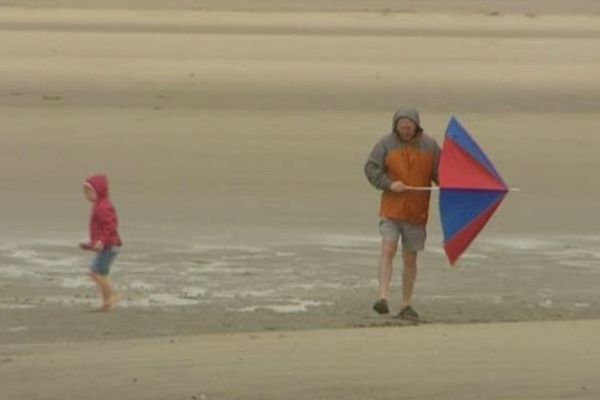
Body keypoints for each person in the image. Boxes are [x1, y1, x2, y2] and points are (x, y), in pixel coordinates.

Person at [364, 107, 440, 321]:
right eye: (401, 127)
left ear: (416, 125)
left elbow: (440, 173)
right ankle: (383, 297)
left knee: (410, 257)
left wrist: (452, 186)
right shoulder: (385, 143)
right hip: (392, 209)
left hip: (417, 213)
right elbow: (370, 169)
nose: (405, 131)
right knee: (388, 248)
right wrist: (389, 184)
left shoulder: (430, 145)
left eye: (409, 127)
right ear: (395, 126)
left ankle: (406, 303)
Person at [80, 174, 122, 312]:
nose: (86, 196)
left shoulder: (103, 207)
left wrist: (101, 241)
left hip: (110, 246)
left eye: (89, 192)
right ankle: (107, 301)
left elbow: (110, 226)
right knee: (99, 273)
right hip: (107, 245)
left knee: (96, 273)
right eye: (85, 193)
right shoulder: (99, 205)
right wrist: (91, 244)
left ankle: (113, 296)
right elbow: (101, 229)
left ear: (99, 191)